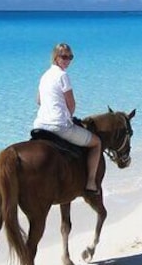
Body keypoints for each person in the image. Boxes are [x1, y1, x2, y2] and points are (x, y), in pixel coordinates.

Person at [33, 43, 103, 195]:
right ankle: (91, 183)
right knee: (97, 143)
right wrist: (68, 117)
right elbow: (71, 104)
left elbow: (38, 101)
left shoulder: (44, 76)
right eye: (64, 57)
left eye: (70, 57)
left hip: (39, 125)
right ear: (55, 57)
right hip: (59, 126)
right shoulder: (63, 76)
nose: (67, 61)